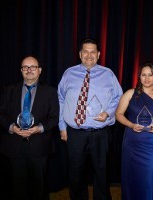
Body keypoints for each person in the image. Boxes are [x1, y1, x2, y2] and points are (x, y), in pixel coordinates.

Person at [58, 38, 123, 200]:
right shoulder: (69, 73)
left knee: (102, 175)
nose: (89, 55)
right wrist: (62, 127)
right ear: (80, 54)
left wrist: (108, 112)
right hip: (75, 133)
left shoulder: (108, 74)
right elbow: (60, 100)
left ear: (99, 54)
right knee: (76, 175)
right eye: (85, 51)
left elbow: (119, 97)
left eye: (93, 51)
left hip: (100, 134)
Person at [0, 56, 60, 200]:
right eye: (25, 67)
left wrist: (40, 128)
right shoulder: (9, 90)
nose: (29, 70)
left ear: (40, 70)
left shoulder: (50, 92)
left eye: (33, 67)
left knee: (40, 189)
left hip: (40, 146)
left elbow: (55, 118)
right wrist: (11, 127)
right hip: (14, 147)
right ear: (21, 70)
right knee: (17, 189)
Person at [115, 63, 153, 200]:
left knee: (149, 179)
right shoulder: (130, 93)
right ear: (139, 77)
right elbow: (118, 114)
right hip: (132, 144)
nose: (147, 79)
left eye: (150, 75)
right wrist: (130, 124)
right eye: (143, 75)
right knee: (132, 178)